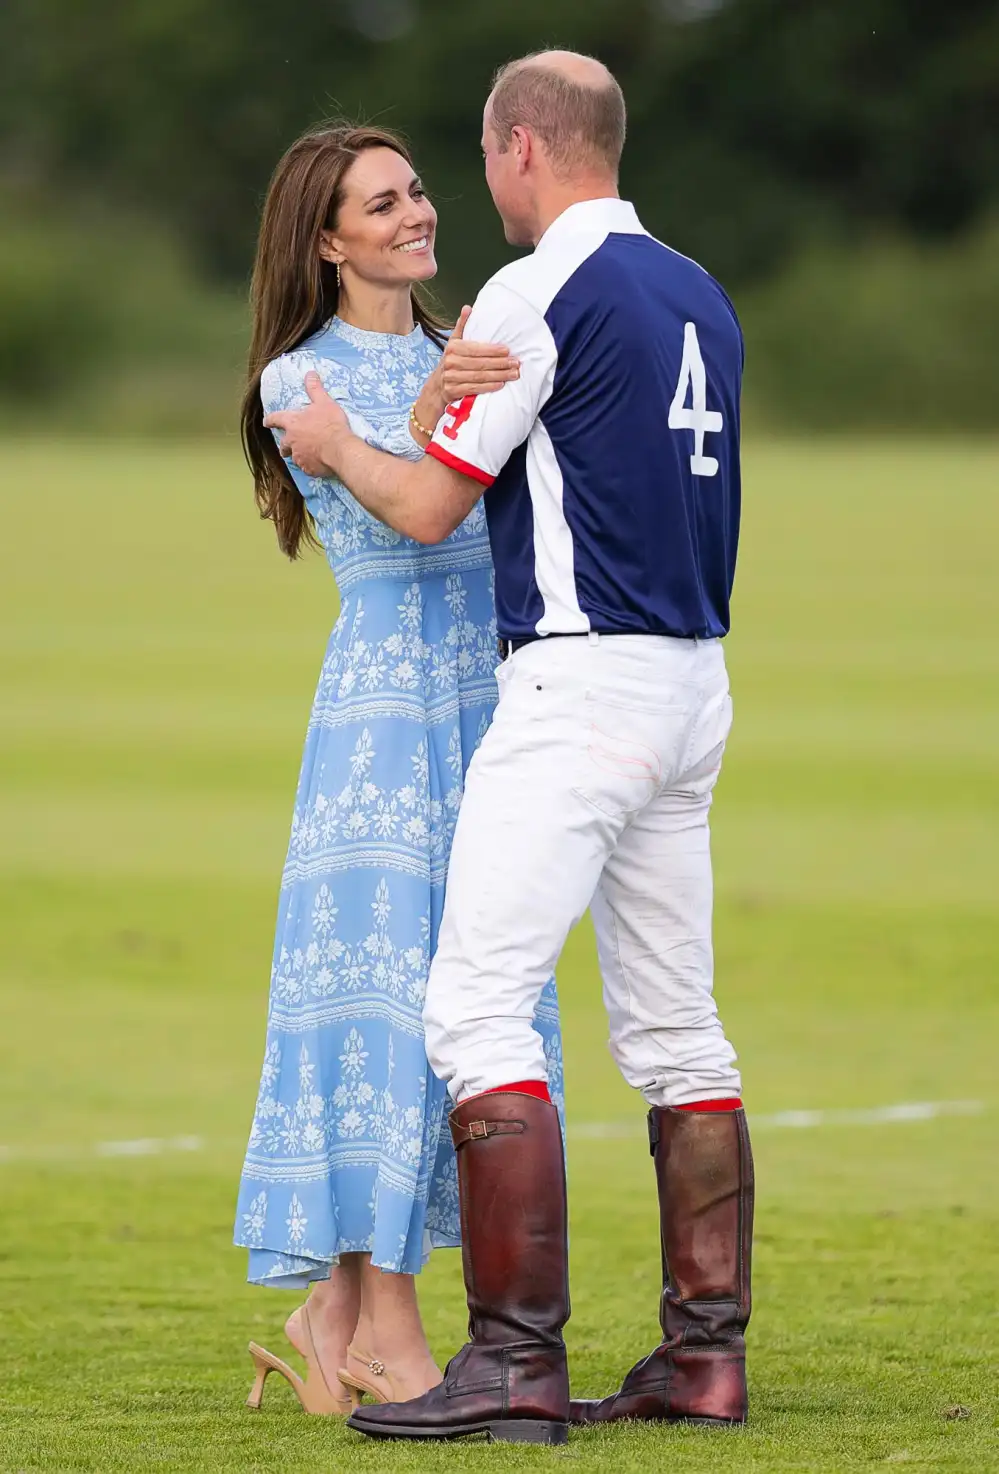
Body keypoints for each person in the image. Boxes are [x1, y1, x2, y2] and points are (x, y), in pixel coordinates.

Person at [266, 50, 755, 1448]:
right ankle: (700, 1359)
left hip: (575, 687)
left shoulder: (540, 292)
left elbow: (427, 507)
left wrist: (343, 442)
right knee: (676, 1030)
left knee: (473, 1008)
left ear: (522, 150)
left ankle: (512, 1364)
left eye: (477, 164)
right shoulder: (697, 291)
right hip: (691, 679)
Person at [234, 121, 565, 1419]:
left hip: (490, 710)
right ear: (327, 237)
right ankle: (378, 1321)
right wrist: (422, 420)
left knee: (474, 1008)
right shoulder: (293, 381)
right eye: (383, 202)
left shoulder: (461, 346)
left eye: (419, 188)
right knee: (381, 1012)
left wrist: (461, 389)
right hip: (380, 725)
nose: (418, 213)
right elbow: (410, 516)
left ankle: (342, 1316)